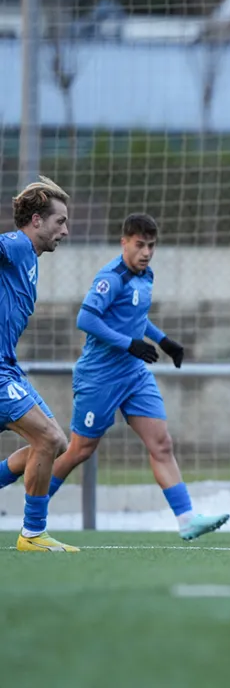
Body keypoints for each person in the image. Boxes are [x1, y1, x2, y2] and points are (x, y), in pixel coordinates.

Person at [0, 213, 230, 540]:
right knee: (77, 450)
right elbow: (86, 319)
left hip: (134, 374)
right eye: (140, 245)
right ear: (124, 243)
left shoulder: (146, 275)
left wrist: (164, 341)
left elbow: (135, 316)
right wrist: (129, 344)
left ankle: (186, 519)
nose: (146, 252)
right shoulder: (111, 277)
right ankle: (35, 511)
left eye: (151, 246)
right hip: (100, 377)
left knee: (162, 443)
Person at [0, 177, 76, 551]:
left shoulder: (29, 258)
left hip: (8, 368)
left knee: (55, 443)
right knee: (49, 439)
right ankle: (32, 533)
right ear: (36, 221)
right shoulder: (16, 245)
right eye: (59, 221)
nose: (65, 230)